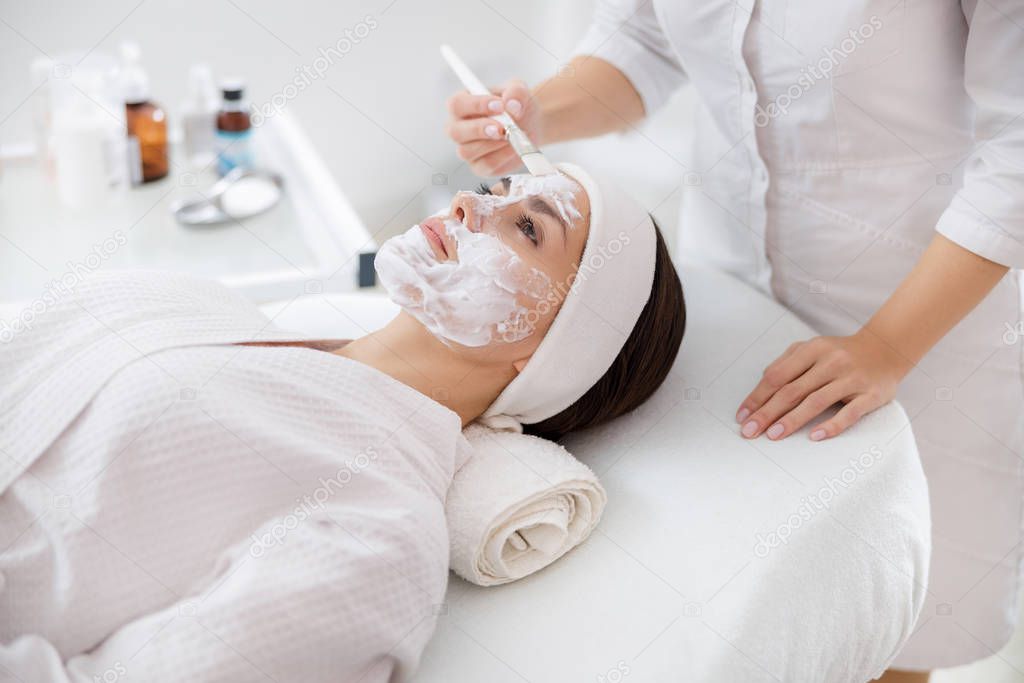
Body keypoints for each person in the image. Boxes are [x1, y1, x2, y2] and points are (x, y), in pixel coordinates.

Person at [444, 1, 1024, 679]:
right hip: (728, 290)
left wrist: (888, 345)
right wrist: (538, 114)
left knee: (893, 618)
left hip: (922, 310)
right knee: (750, 597)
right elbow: (644, 40)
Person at [0, 164, 685, 681]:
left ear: (553, 352)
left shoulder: (380, 529)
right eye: (498, 186)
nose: (469, 204)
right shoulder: (203, 308)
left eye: (529, 227)